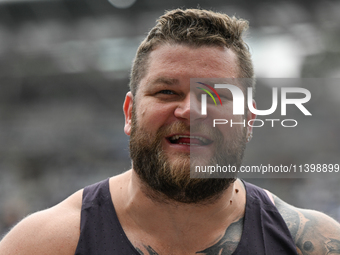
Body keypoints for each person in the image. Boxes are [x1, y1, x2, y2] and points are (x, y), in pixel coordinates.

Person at [0, 8, 339, 255]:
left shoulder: (313, 244)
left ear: (249, 121)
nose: (190, 110)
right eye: (166, 92)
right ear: (130, 112)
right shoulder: (43, 244)